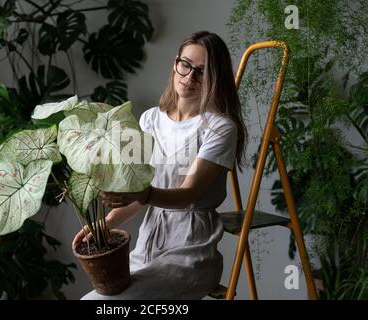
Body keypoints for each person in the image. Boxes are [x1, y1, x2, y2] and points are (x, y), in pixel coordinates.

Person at [73, 31, 247, 300]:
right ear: (175, 63)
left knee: (101, 304)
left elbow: (188, 194)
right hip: (146, 247)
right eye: (185, 65)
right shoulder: (150, 120)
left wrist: (142, 194)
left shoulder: (220, 128)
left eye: (202, 72)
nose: (189, 77)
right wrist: (104, 224)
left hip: (191, 251)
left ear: (215, 77)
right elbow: (136, 194)